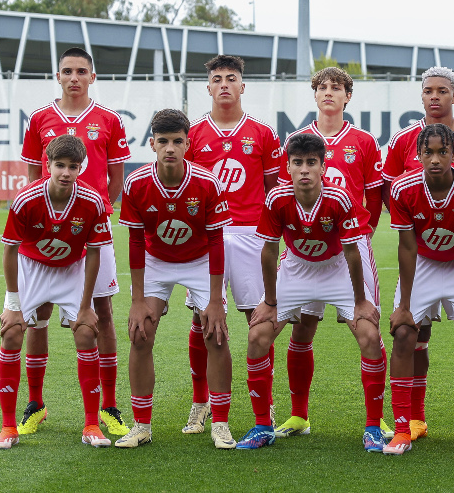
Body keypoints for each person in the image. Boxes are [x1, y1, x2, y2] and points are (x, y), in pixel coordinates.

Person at [236, 133, 385, 453]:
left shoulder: (339, 199)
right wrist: (271, 301)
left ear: (322, 166)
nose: (304, 169)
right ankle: (263, 426)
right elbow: (268, 251)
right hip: (297, 272)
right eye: (298, 163)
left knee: (370, 336)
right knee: (257, 335)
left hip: (337, 272)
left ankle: (373, 427)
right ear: (287, 167)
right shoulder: (276, 198)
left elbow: (352, 253)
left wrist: (360, 302)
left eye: (311, 163)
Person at [380, 66, 454, 442]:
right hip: (420, 252)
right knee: (413, 335)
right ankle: (413, 419)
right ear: (421, 96)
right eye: (428, 91)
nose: (435, 97)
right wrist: (413, 221)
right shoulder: (403, 140)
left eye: (442, 91)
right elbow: (389, 189)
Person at [272, 67, 390, 439]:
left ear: (347, 96)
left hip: (347, 251)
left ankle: (376, 420)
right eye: (322, 88)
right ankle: (298, 415)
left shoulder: (364, 141)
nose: (328, 93)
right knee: (302, 330)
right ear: (315, 95)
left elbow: (374, 196)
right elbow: (282, 196)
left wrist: (360, 235)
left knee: (366, 329)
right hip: (303, 251)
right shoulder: (295, 139)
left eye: (336, 88)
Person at [18, 47, 130, 436]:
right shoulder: (39, 119)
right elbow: (34, 175)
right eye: (67, 71)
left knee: (103, 313)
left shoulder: (109, 120)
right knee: (38, 316)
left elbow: (116, 179)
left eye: (82, 71)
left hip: (92, 232)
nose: (74, 77)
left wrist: (97, 213)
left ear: (93, 77)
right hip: (50, 235)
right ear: (58, 76)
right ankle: (35, 403)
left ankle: (110, 406)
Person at [115, 109, 235, 449]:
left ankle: (221, 424)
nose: (170, 148)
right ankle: (141, 426)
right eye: (163, 141)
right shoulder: (137, 183)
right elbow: (136, 241)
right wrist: (138, 301)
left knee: (216, 335)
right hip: (157, 261)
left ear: (188, 144)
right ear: (152, 144)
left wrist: (214, 300)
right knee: (140, 335)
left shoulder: (207, 182)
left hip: (199, 261)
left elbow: (216, 241)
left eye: (177, 141)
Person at [0, 135, 113, 449]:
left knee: (87, 332)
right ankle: (8, 428)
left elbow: (95, 253)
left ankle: (90, 424)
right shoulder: (25, 199)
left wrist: (86, 305)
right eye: (60, 165)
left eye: (73, 167)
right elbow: (10, 251)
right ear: (48, 165)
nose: (66, 173)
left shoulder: (92, 201)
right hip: (31, 267)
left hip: (72, 267)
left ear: (80, 168)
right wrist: (14, 304)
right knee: (12, 333)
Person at [183, 54, 281, 435]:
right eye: (217, 78)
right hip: (208, 235)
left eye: (232, 78)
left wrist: (273, 239)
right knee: (201, 318)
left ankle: (265, 405)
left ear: (243, 86)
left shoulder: (263, 133)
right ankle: (201, 401)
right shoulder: (192, 134)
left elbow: (275, 191)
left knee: (258, 320)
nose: (224, 84)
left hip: (251, 236)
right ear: (208, 87)